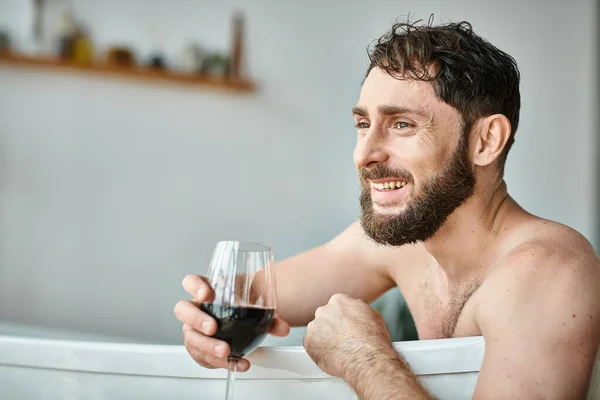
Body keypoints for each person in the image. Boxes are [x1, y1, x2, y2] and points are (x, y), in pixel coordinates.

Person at [174, 19, 600, 399]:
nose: (365, 154)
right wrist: (203, 319)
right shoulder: (406, 241)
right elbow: (249, 295)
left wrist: (365, 359)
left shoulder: (549, 271)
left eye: (401, 125)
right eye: (363, 124)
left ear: (485, 141)